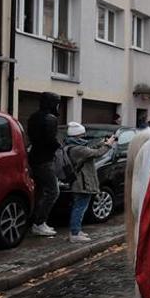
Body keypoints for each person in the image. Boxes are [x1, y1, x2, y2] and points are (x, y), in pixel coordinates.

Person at [63, 122, 115, 242]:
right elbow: (96, 153)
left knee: (80, 206)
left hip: (80, 181)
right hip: (82, 182)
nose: (84, 136)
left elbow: (89, 149)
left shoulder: (72, 146)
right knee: (79, 207)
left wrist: (102, 143)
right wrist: (109, 145)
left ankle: (77, 230)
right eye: (82, 135)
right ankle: (74, 234)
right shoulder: (77, 149)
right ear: (77, 136)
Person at [28, 92, 62, 237]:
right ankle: (39, 223)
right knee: (53, 191)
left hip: (34, 157)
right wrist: (58, 146)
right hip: (45, 160)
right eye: (57, 103)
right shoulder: (50, 118)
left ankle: (35, 221)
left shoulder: (33, 117)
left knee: (39, 191)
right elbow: (50, 140)